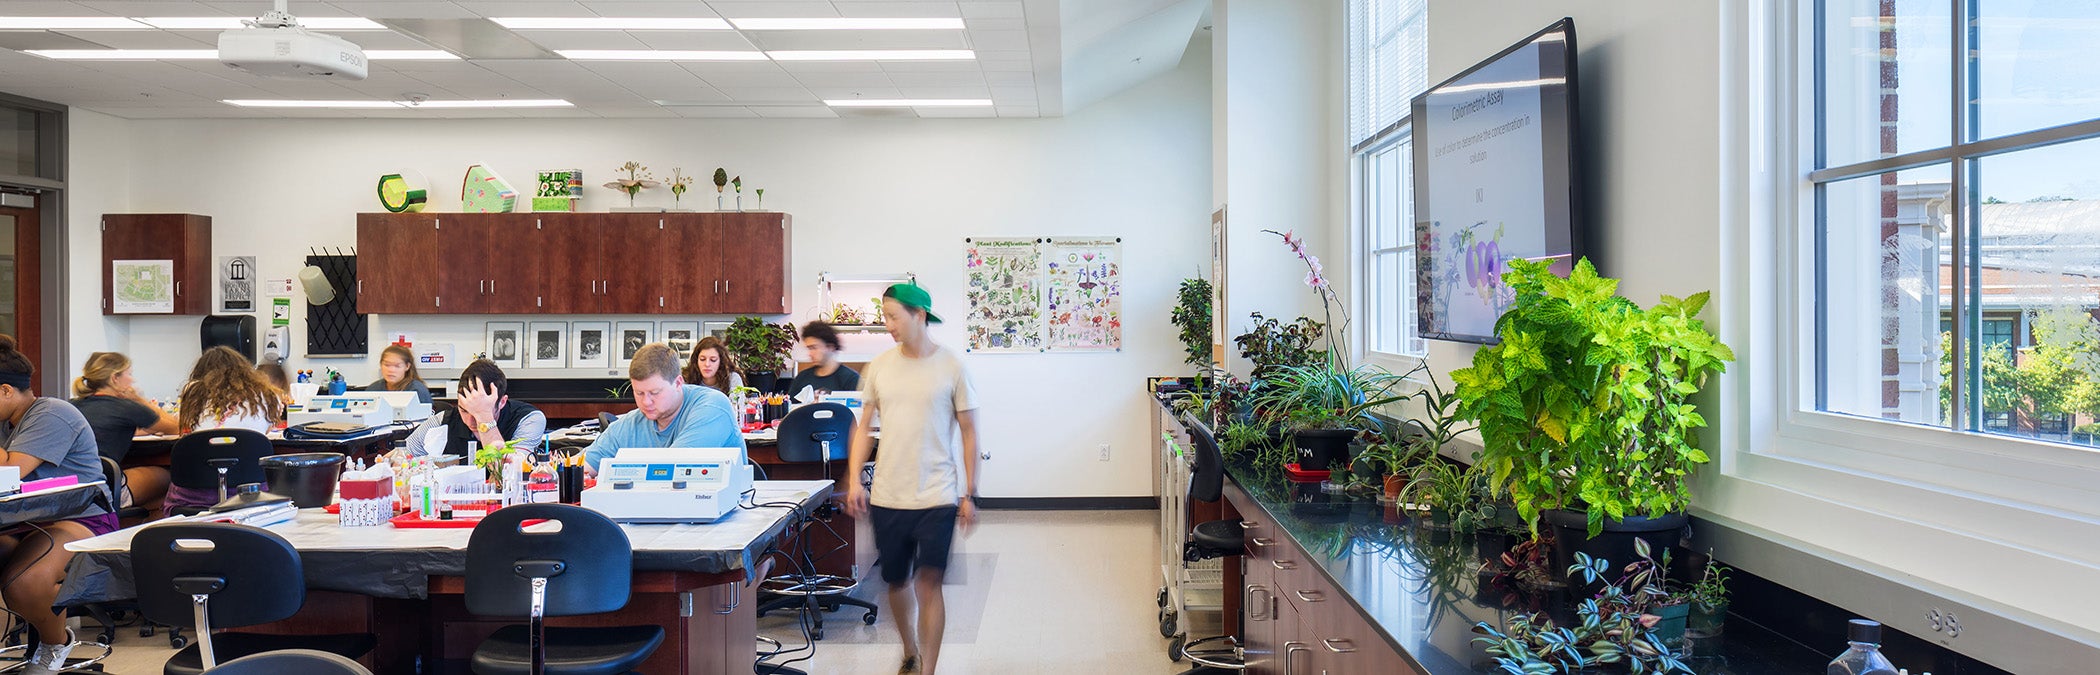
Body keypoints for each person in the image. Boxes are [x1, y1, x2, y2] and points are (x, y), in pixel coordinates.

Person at [843, 283, 981, 675]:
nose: (887, 325)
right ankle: (909, 649)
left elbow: (970, 431)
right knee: (896, 581)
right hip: (889, 494)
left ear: (919, 315)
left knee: (930, 583)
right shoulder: (880, 367)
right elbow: (864, 428)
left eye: (893, 316)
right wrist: (854, 480)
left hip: (937, 494)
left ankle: (928, 670)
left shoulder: (951, 366)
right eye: (885, 317)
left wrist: (970, 492)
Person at [0, 336, 120, 674]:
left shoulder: (53, 413)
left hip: (79, 516)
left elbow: (9, 471)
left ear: (7, 391)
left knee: (25, 582)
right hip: (20, 520)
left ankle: (55, 645)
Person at [581, 343, 744, 474]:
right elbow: (582, 466)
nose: (646, 402)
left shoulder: (712, 407)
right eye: (639, 393)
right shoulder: (632, 423)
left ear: (679, 383)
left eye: (655, 393)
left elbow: (673, 466)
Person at [69, 351, 180, 514]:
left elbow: (112, 428)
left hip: (69, 485)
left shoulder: (73, 404)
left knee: (149, 497)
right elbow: (176, 426)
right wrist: (139, 400)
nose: (132, 380)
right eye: (129, 374)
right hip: (101, 486)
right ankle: (145, 530)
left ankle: (131, 522)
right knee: (171, 479)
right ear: (115, 378)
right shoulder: (127, 407)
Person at [403, 359, 546, 459]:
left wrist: (485, 419)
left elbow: (509, 473)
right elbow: (401, 455)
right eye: (465, 410)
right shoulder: (442, 421)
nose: (472, 421)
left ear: (502, 402)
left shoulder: (529, 419)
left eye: (483, 410)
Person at [178, 346, 285, 434]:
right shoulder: (268, 395)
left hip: (204, 457)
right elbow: (265, 432)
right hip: (249, 458)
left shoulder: (194, 394)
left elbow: (184, 425)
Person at [789, 321, 860, 396]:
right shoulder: (802, 378)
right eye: (809, 348)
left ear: (830, 347)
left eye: (814, 348)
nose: (810, 354)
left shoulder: (850, 379)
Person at [681, 336, 745, 398]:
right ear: (696, 360)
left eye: (713, 360)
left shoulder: (732, 378)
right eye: (702, 359)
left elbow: (737, 405)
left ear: (721, 361)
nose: (707, 364)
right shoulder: (686, 378)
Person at [367, 344, 433, 404]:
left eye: (397, 366)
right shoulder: (373, 389)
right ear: (381, 365)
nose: (391, 370)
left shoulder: (416, 390)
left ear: (407, 366)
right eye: (387, 365)